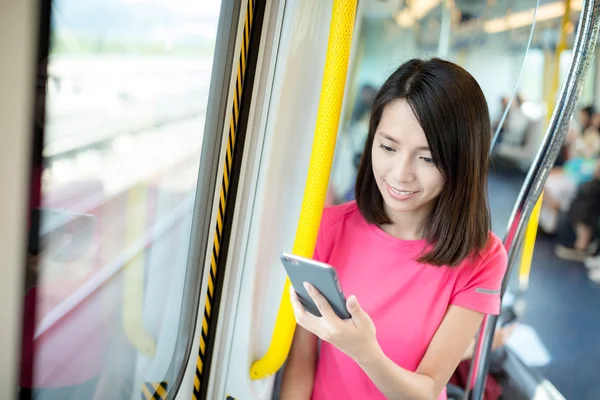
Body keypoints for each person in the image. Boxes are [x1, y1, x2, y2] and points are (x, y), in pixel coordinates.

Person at [280, 58, 508, 400]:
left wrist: (365, 353)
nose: (401, 174)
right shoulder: (327, 228)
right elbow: (301, 364)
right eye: (387, 147)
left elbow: (428, 389)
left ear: (463, 161)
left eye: (427, 158)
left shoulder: (482, 257)